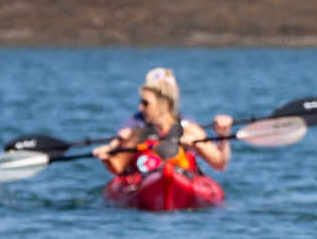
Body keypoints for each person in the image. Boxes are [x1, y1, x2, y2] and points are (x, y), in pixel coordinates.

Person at [95, 67, 230, 180]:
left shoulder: (189, 130)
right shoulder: (136, 132)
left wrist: (220, 137)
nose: (140, 108)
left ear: (164, 103)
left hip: (182, 181)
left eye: (145, 103)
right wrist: (107, 157)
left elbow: (219, 164)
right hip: (144, 181)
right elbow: (117, 166)